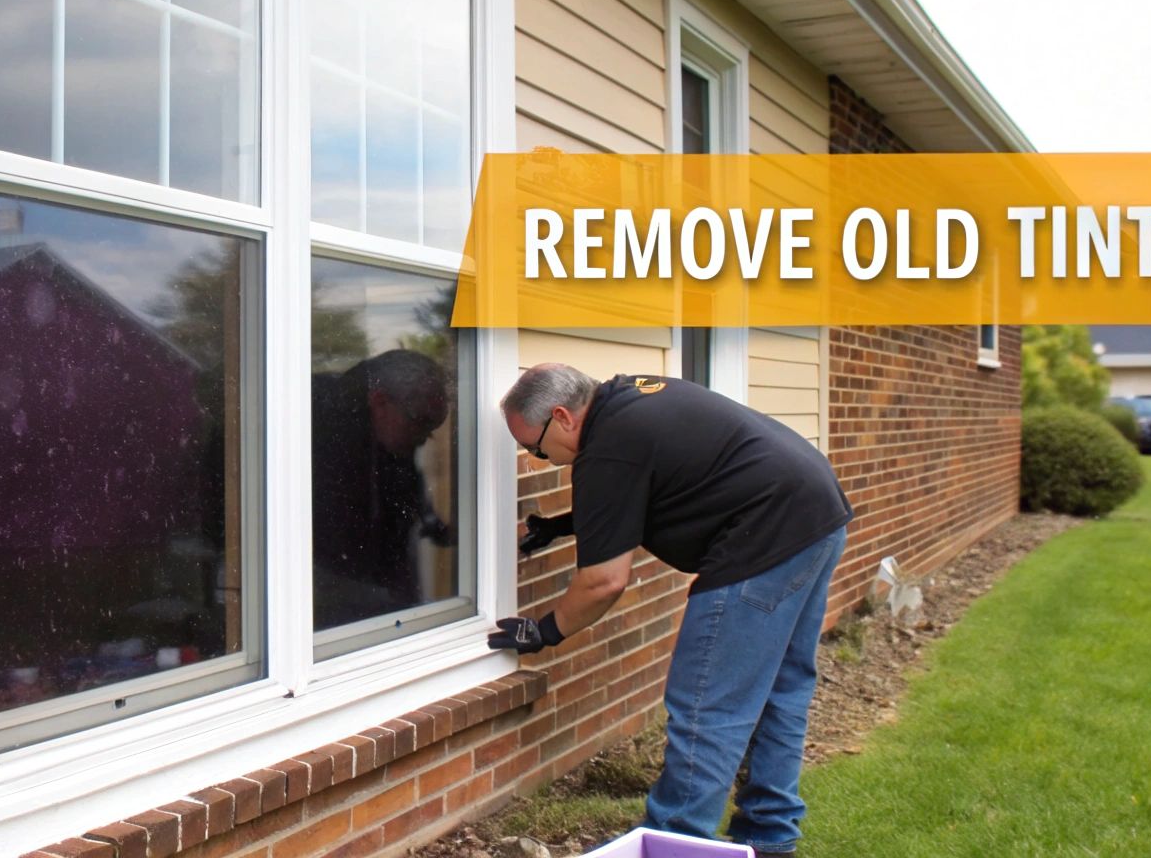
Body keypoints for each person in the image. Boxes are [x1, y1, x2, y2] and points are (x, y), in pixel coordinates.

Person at [487, 363, 853, 857]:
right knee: (780, 689)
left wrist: (545, 631)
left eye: (534, 447)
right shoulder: (632, 399)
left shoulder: (609, 447)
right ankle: (769, 836)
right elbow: (661, 483)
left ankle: (677, 841)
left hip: (766, 533)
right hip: (814, 513)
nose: (539, 460)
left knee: (707, 701)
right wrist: (566, 525)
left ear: (562, 417)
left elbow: (603, 581)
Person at [311, 349, 455, 629]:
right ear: (379, 401)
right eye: (421, 423)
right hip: (328, 593)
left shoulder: (390, 434)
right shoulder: (321, 432)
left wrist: (435, 525)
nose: (424, 439)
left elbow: (407, 484)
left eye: (433, 428)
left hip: (379, 585)